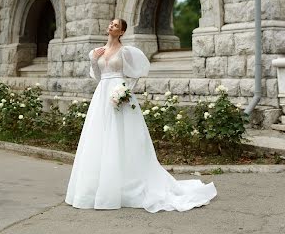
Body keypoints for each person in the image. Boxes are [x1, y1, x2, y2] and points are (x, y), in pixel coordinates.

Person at [65, 18, 217, 212]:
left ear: (121, 32)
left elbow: (137, 73)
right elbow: (97, 76)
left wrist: (126, 91)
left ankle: (128, 183)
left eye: (116, 26)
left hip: (118, 93)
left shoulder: (126, 51)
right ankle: (98, 187)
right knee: (100, 137)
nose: (112, 26)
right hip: (102, 95)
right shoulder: (96, 52)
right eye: (111, 24)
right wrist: (94, 61)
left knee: (123, 137)